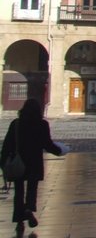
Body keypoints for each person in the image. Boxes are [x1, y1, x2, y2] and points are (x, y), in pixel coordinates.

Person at [1, 98, 65, 231]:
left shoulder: (16, 124)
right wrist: (59, 151)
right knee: (32, 188)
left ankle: (19, 220)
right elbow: (47, 144)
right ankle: (29, 209)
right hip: (34, 162)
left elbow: (7, 144)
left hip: (19, 162)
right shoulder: (42, 124)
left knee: (18, 191)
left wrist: (3, 162)